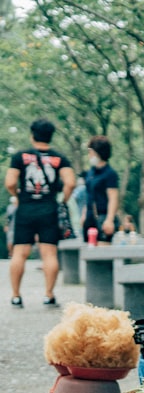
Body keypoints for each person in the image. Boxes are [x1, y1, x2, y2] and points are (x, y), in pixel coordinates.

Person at [5, 118, 75, 308]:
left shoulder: (20, 156)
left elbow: (10, 182)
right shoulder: (60, 158)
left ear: (32, 134)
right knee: (49, 253)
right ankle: (48, 295)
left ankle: (16, 296)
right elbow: (70, 183)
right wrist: (63, 200)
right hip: (49, 209)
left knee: (20, 253)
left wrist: (18, 196)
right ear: (50, 136)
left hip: (26, 208)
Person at [80, 135, 120, 244]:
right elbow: (88, 195)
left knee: (102, 251)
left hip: (103, 217)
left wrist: (109, 219)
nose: (89, 155)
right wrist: (84, 215)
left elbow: (113, 198)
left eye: (90, 152)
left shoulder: (110, 174)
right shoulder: (90, 173)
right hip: (89, 218)